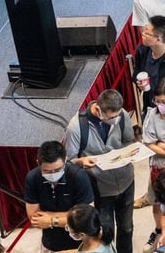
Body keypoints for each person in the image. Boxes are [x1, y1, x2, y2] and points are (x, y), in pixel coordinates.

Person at [63, 89, 135, 253]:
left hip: (126, 182)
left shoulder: (121, 115)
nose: (115, 120)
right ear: (98, 109)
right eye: (111, 117)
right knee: (105, 231)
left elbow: (128, 140)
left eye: (117, 116)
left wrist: (130, 151)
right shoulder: (76, 127)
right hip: (101, 190)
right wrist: (81, 162)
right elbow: (68, 162)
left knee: (127, 227)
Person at [24, 140, 94, 253]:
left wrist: (51, 220)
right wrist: (71, 215)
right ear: (38, 163)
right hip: (50, 243)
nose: (53, 175)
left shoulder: (78, 176)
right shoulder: (32, 178)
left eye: (57, 170)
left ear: (65, 160)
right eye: (47, 171)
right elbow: (35, 218)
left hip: (80, 244)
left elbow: (85, 219)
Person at [139, 76, 165, 240]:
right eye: (157, 101)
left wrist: (161, 145)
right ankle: (158, 231)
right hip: (157, 168)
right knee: (156, 205)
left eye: (164, 101)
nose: (160, 105)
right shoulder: (152, 115)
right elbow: (149, 143)